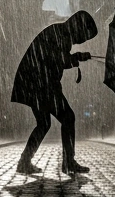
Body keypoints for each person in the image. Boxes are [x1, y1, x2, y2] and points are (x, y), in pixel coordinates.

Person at [12, 10, 97, 175]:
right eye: (85, 36)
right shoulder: (62, 36)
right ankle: (69, 162)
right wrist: (76, 58)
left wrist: (75, 57)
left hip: (33, 83)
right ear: (78, 27)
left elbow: (57, 59)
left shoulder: (60, 33)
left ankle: (24, 161)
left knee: (44, 124)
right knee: (68, 117)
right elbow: (57, 61)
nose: (83, 40)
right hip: (40, 84)